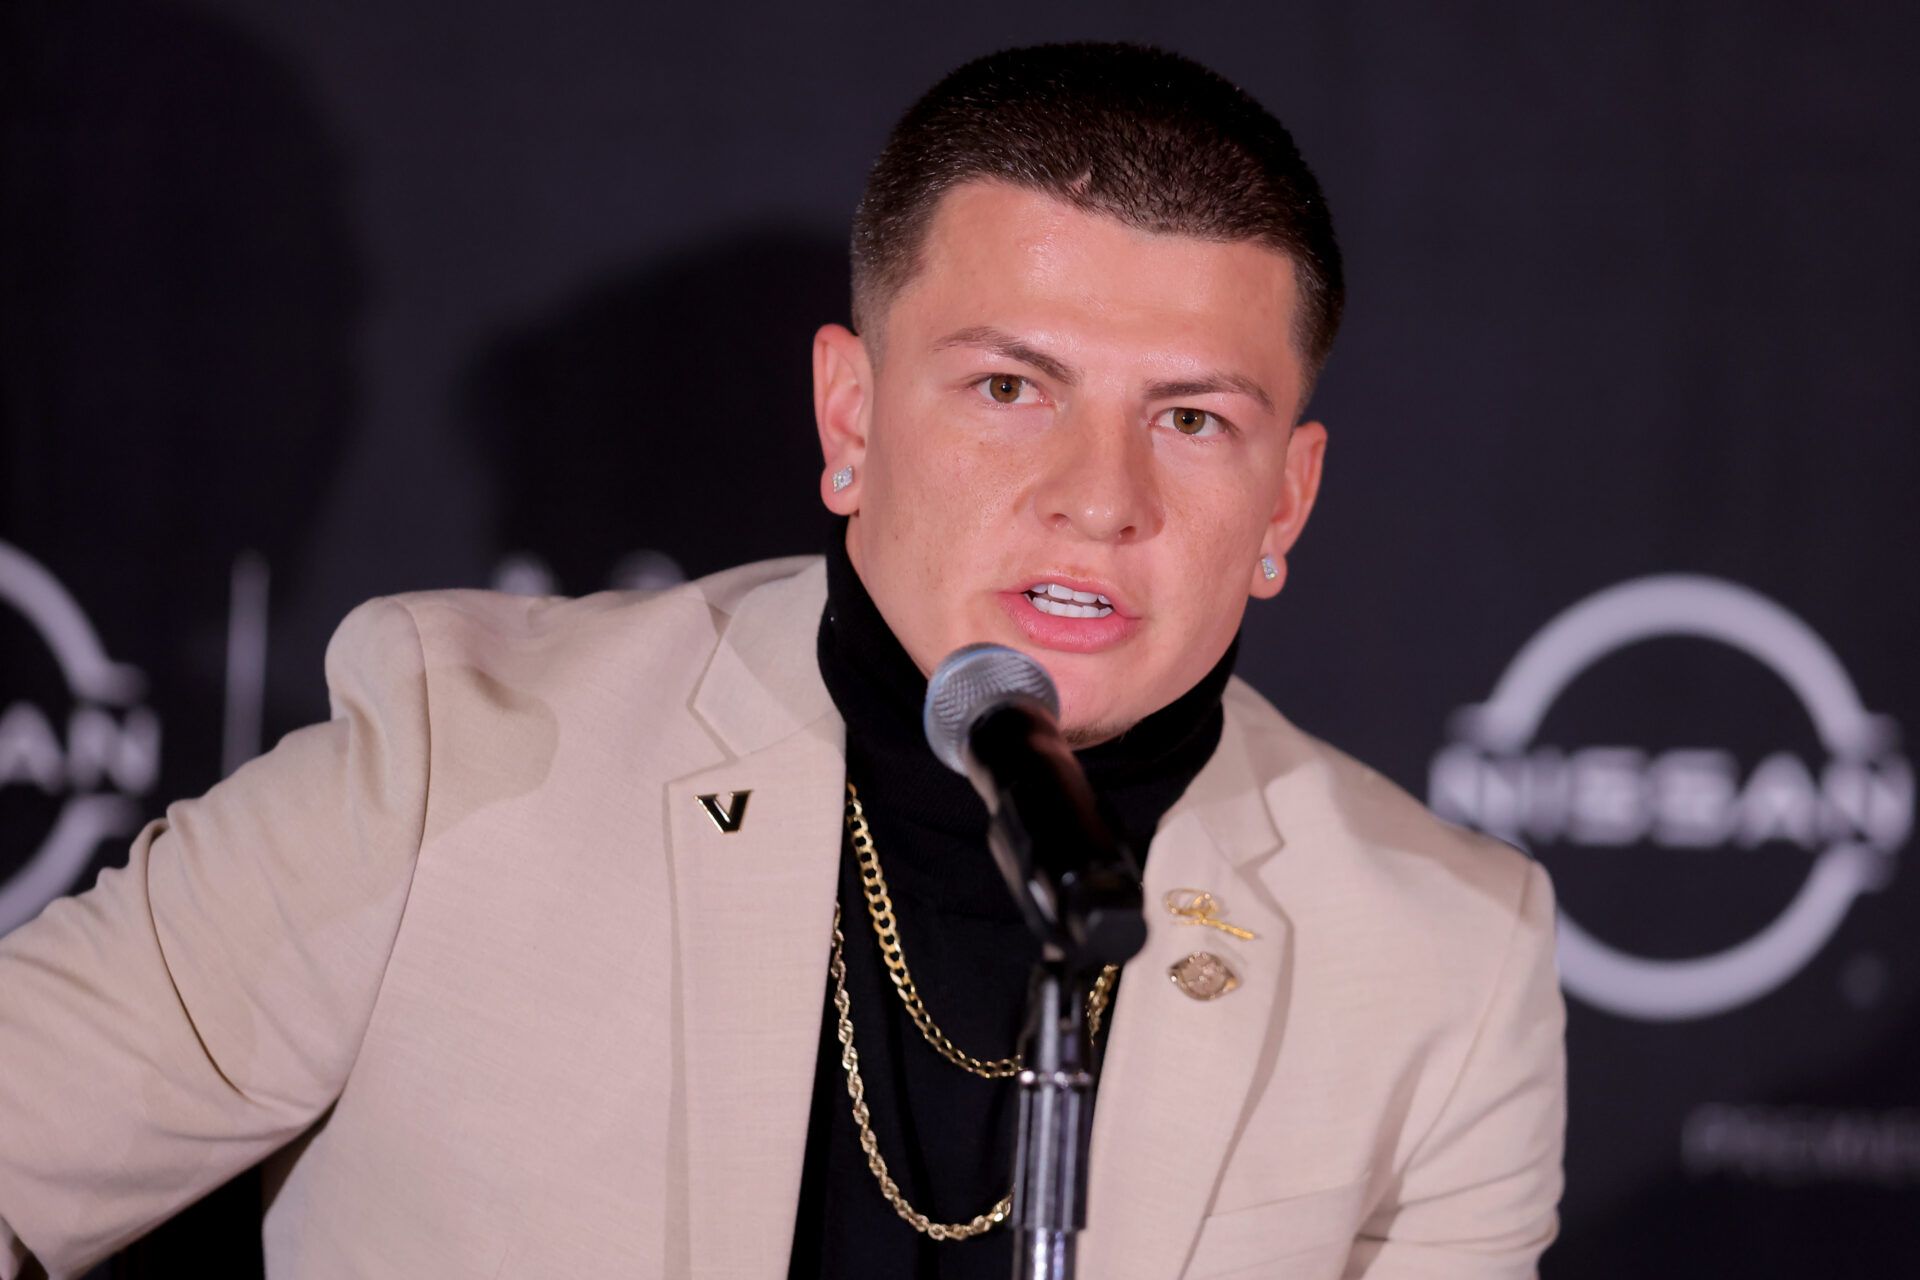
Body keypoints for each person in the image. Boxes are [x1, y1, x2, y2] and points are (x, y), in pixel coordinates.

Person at [0, 41, 1564, 1280]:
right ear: (851, 418)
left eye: (1193, 418)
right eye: (1013, 387)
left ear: (1284, 500)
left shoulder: (1440, 957)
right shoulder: (452, 759)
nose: (1102, 499)